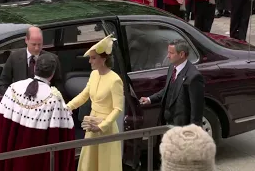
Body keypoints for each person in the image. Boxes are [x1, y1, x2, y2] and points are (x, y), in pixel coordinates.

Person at [0, 54, 75, 171]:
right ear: (53, 73)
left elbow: (0, 127)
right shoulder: (54, 98)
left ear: (35, 67)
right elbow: (63, 136)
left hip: (11, 154)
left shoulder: (13, 87)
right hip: (34, 160)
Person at [139, 39, 205, 169]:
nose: (167, 56)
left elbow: (196, 109)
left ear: (182, 54)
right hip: (167, 125)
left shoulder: (194, 77)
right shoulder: (172, 68)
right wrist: (150, 99)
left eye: (171, 53)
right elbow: (168, 89)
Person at [66, 34, 124, 171]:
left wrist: (102, 126)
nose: (90, 61)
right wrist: (68, 107)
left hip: (106, 128)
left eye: (93, 58)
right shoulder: (93, 74)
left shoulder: (115, 80)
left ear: (103, 59)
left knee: (105, 164)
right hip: (91, 124)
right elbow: (84, 95)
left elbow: (117, 109)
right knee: (89, 162)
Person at [0, 26, 62, 95]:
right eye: (33, 44)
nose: (37, 48)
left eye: (40, 44)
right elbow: (3, 84)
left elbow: (59, 86)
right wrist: (14, 99)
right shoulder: (14, 57)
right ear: (26, 40)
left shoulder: (53, 59)